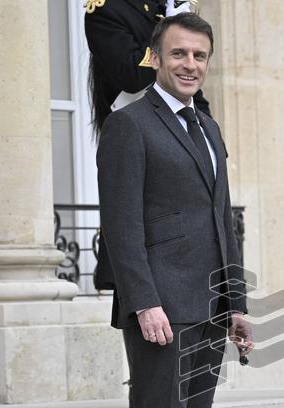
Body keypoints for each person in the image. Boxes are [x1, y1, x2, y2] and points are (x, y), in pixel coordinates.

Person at [97, 11, 253, 408]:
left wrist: (235, 301)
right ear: (156, 59)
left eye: (200, 56)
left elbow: (222, 223)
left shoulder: (208, 130)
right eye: (180, 55)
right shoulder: (130, 126)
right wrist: (143, 303)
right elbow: (122, 225)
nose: (191, 65)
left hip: (209, 308)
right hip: (160, 310)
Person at [85, 0, 210, 292]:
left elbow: (190, 83)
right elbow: (131, 73)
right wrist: (170, 30)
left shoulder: (170, 6)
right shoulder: (107, 9)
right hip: (140, 134)